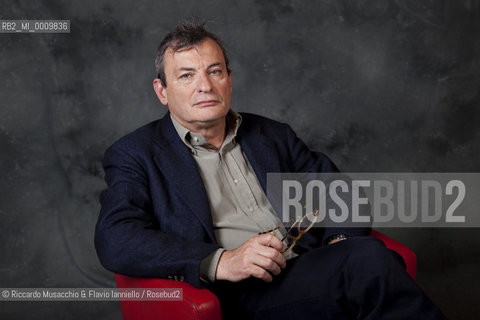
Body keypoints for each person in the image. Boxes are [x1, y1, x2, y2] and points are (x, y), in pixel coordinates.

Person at [95, 19, 447, 319]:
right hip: (235, 293)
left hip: (305, 267)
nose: (205, 85)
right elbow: (115, 237)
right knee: (370, 261)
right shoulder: (135, 154)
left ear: (229, 79)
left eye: (214, 71)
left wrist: (340, 245)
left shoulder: (270, 134)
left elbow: (336, 189)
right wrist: (221, 261)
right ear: (162, 90)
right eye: (186, 75)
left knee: (366, 260)